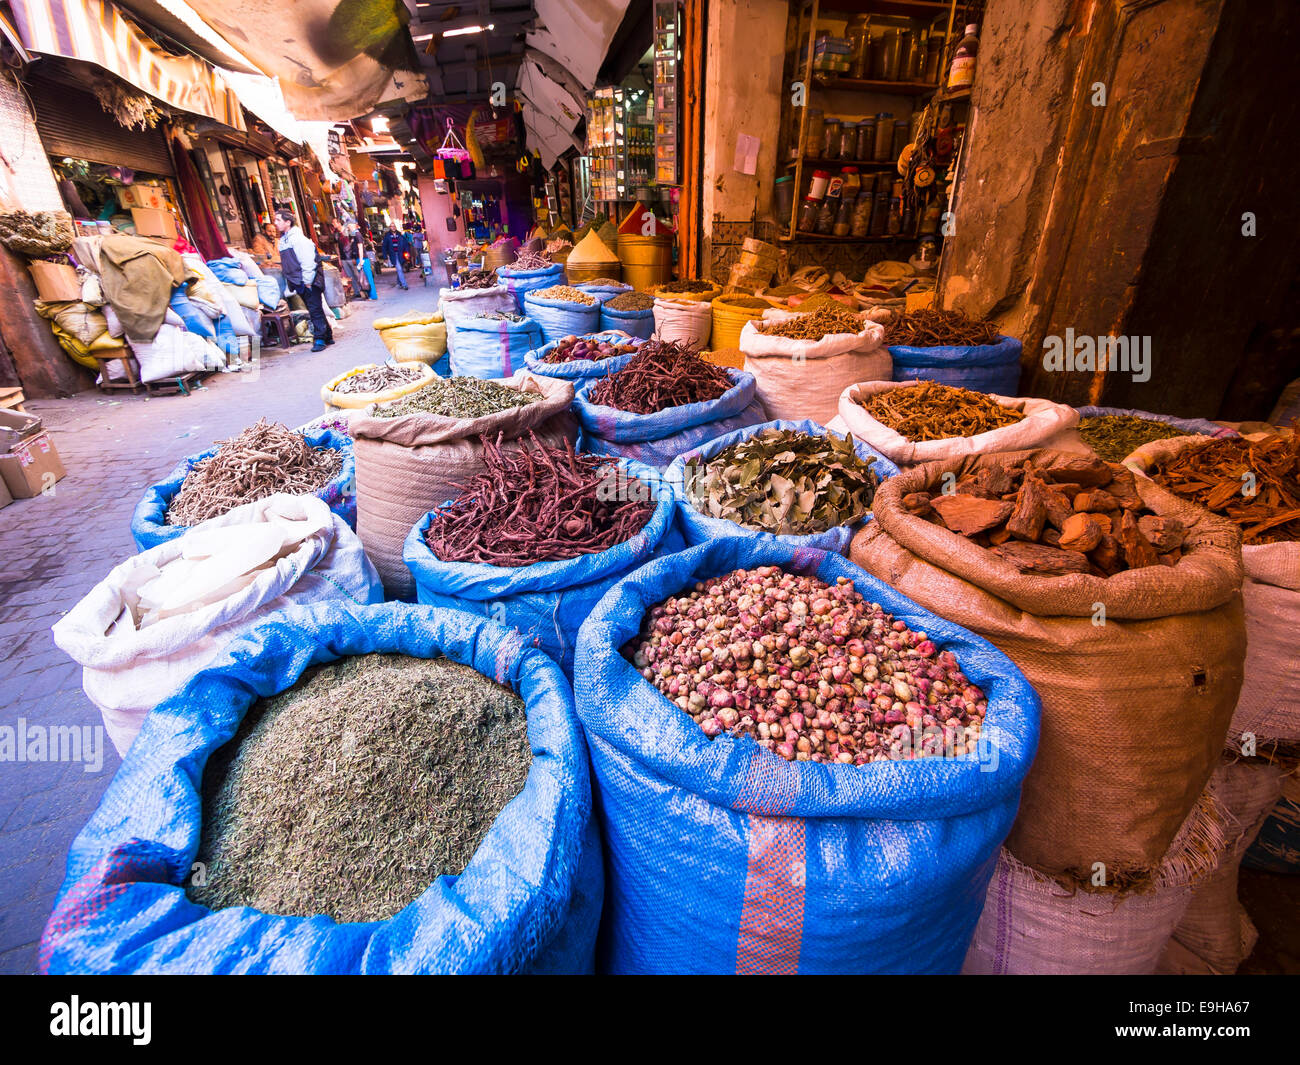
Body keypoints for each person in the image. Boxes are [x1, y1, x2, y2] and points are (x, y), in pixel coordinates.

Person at [275, 209, 333, 352]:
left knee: (314, 309)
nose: (275, 223)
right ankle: (327, 335)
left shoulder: (298, 239)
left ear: (287, 222)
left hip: (308, 280)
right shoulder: (284, 240)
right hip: (299, 281)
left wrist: (307, 281)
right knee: (314, 308)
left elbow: (308, 262)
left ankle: (319, 339)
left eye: (278, 220)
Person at [380, 221, 409, 290]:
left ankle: (399, 283)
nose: (393, 227)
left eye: (394, 226)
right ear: (390, 227)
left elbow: (406, 244)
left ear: (396, 227)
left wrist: (407, 253)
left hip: (401, 254)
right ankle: (404, 284)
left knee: (400, 269)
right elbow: (384, 247)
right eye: (391, 226)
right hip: (393, 255)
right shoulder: (387, 236)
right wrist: (385, 257)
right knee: (399, 268)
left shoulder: (400, 235)